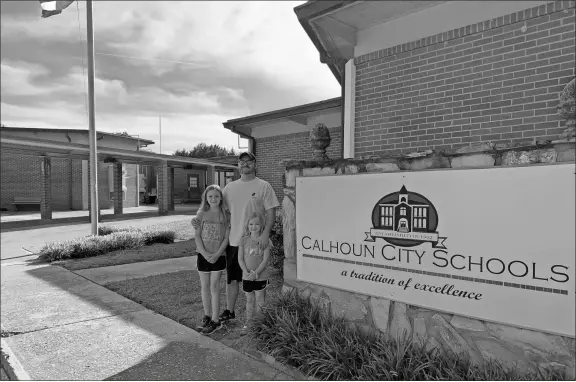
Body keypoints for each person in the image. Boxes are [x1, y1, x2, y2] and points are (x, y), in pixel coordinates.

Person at [192, 151, 279, 323]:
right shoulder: (230, 188)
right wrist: (199, 218)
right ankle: (229, 311)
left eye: (249, 161)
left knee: (257, 276)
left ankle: (260, 316)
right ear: (238, 165)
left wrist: (265, 234)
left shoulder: (264, 186)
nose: (245, 164)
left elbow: (271, 212)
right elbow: (216, 207)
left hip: (255, 241)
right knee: (232, 279)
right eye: (242, 161)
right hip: (233, 240)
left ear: (255, 164)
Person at [193, 184, 230, 335]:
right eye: (210, 196)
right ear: (206, 198)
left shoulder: (225, 215)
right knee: (204, 286)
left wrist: (216, 254)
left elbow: (226, 238)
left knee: (214, 287)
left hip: (218, 256)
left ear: (221, 197)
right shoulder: (201, 214)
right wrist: (204, 253)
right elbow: (197, 236)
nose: (213, 199)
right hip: (203, 255)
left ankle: (216, 320)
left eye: (216, 196)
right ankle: (207, 316)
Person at [238, 212, 272, 332]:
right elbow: (240, 259)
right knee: (249, 300)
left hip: (260, 276)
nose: (254, 226)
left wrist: (255, 273)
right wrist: (246, 272)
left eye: (257, 224)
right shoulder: (243, 240)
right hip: (246, 276)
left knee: (260, 300)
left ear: (261, 225)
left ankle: (260, 323)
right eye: (251, 224)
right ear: (247, 225)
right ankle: (249, 322)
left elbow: (265, 260)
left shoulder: (265, 240)